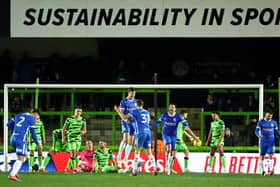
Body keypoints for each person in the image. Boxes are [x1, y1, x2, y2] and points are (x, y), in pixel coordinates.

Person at [152, 104, 199, 175]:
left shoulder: (178, 117)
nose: (171, 108)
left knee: (173, 151)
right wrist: (151, 126)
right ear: (168, 108)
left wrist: (194, 137)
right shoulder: (164, 115)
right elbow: (158, 121)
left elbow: (186, 127)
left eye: (173, 107)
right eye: (170, 107)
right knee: (169, 148)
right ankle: (167, 166)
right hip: (166, 134)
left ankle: (169, 166)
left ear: (175, 109)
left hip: (174, 136)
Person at [114, 99, 158, 176]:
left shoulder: (135, 111)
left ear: (136, 104)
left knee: (137, 152)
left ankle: (134, 171)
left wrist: (118, 111)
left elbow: (124, 117)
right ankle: (155, 168)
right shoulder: (147, 112)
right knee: (149, 152)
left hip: (140, 133)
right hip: (148, 132)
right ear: (142, 105)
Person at [7, 109, 42, 181]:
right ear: (35, 114)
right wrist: (38, 144)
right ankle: (12, 174)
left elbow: (8, 124)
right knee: (21, 158)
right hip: (21, 139)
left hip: (13, 139)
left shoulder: (18, 115)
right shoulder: (31, 118)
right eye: (37, 118)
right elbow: (33, 134)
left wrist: (17, 130)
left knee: (24, 156)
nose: (36, 120)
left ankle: (15, 171)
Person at [62, 106, 87, 174]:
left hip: (78, 139)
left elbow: (85, 130)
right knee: (73, 153)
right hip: (71, 138)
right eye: (77, 111)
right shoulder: (69, 119)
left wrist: (83, 132)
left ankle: (67, 168)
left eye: (80, 111)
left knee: (73, 155)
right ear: (74, 112)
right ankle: (74, 169)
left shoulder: (83, 119)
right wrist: (63, 138)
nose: (78, 113)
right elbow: (64, 129)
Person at [255, 111, 280, 176]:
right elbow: (257, 130)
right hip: (263, 141)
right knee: (262, 156)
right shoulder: (261, 122)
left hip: (271, 142)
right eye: (268, 116)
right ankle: (263, 170)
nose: (270, 117)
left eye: (271, 116)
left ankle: (271, 170)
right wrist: (258, 134)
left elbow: (276, 132)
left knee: (270, 155)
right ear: (265, 115)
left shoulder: (274, 122)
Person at [117, 87, 136, 168]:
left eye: (134, 93)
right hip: (125, 122)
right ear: (128, 93)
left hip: (133, 122)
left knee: (131, 141)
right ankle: (119, 155)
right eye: (131, 93)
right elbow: (121, 112)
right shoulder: (124, 101)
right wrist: (125, 120)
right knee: (125, 139)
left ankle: (125, 158)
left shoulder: (135, 101)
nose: (133, 95)